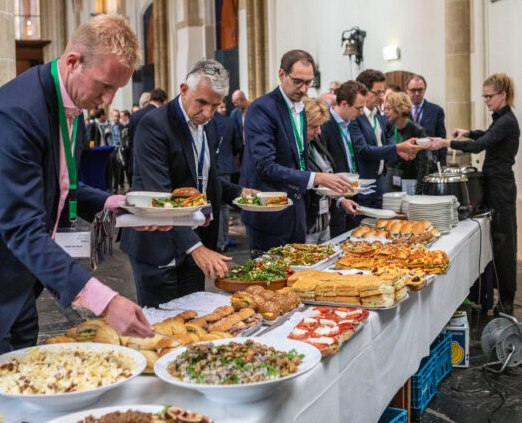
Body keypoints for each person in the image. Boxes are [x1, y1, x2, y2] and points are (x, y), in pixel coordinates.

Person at [0, 15, 156, 406]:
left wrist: (112, 204)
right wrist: (105, 301)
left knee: (30, 403)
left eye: (116, 90)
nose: (106, 102)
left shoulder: (70, 106)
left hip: (18, 284)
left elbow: (62, 188)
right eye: (104, 86)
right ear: (73, 62)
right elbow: (21, 227)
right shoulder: (16, 112)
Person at [120, 60, 255, 307]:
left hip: (196, 240)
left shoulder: (209, 126)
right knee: (163, 326)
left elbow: (206, 183)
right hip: (158, 245)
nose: (207, 113)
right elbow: (159, 197)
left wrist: (242, 195)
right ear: (183, 90)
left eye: (215, 106)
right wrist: (196, 248)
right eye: (201, 103)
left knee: (192, 316)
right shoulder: (154, 124)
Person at [240, 49, 354, 251]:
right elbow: (266, 166)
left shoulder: (300, 109)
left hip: (297, 212)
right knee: (272, 279)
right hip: (270, 213)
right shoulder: (263, 108)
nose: (303, 88)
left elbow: (298, 160)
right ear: (282, 75)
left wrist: (323, 187)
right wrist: (316, 178)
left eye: (308, 82)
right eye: (298, 81)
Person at [427, 73, 520, 315]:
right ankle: (491, 293)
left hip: (501, 186)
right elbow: (487, 134)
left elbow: (482, 144)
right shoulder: (501, 119)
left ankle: (507, 302)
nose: (486, 100)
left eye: (489, 96)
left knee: (504, 243)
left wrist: (447, 143)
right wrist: (468, 131)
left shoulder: (507, 121)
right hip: (494, 183)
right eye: (484, 96)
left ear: (503, 95)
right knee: (495, 242)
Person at [303, 97, 358, 244]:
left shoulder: (318, 140)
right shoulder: (295, 148)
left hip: (324, 220)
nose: (319, 131)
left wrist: (341, 199)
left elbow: (327, 176)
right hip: (307, 223)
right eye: (314, 126)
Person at [319, 81, 365, 237]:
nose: (362, 112)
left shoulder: (351, 123)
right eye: (359, 108)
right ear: (344, 104)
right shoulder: (324, 126)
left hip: (352, 192)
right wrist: (339, 198)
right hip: (334, 199)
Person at [352, 69, 389, 209]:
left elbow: (387, 136)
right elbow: (364, 150)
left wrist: (397, 149)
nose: (381, 97)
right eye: (377, 93)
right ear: (363, 91)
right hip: (363, 181)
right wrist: (396, 149)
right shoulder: (356, 116)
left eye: (382, 92)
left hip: (379, 178)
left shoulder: (377, 113)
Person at [383, 92, 431, 194]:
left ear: (398, 110)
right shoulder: (389, 127)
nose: (386, 112)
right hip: (391, 178)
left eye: (389, 108)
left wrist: (419, 190)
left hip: (410, 179)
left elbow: (424, 163)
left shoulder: (417, 131)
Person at [212, 105, 241, 251]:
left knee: (212, 204)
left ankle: (213, 240)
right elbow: (238, 144)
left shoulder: (208, 121)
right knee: (223, 206)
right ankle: (222, 241)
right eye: (221, 106)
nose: (224, 109)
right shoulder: (229, 121)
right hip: (225, 165)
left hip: (211, 164)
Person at [126, 88, 168, 185]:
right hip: (156, 164)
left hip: (136, 162)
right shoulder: (163, 115)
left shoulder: (135, 115)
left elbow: (130, 139)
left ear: (149, 99)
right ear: (164, 101)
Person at [406, 74, 446, 167]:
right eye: (413, 90)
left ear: (425, 90)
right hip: (408, 163)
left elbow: (441, 138)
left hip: (430, 162)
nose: (417, 93)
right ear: (407, 90)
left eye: (420, 90)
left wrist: (442, 164)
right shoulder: (401, 111)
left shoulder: (436, 110)